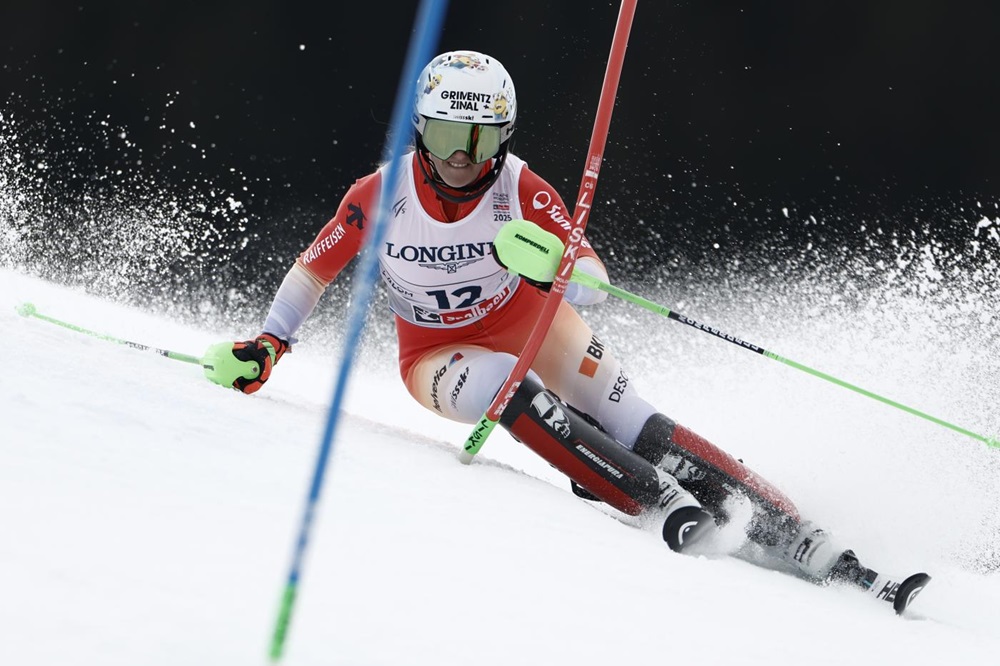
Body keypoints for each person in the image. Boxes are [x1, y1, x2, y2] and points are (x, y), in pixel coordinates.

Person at [221, 50, 919, 606]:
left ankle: (803, 536)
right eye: (444, 136)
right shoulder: (380, 196)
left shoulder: (520, 186)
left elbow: (593, 274)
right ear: (419, 132)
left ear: (504, 137)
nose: (461, 155)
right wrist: (270, 344)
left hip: (535, 322)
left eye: (479, 138)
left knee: (632, 418)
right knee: (506, 385)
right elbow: (312, 272)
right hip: (438, 355)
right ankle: (659, 502)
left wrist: (565, 268)